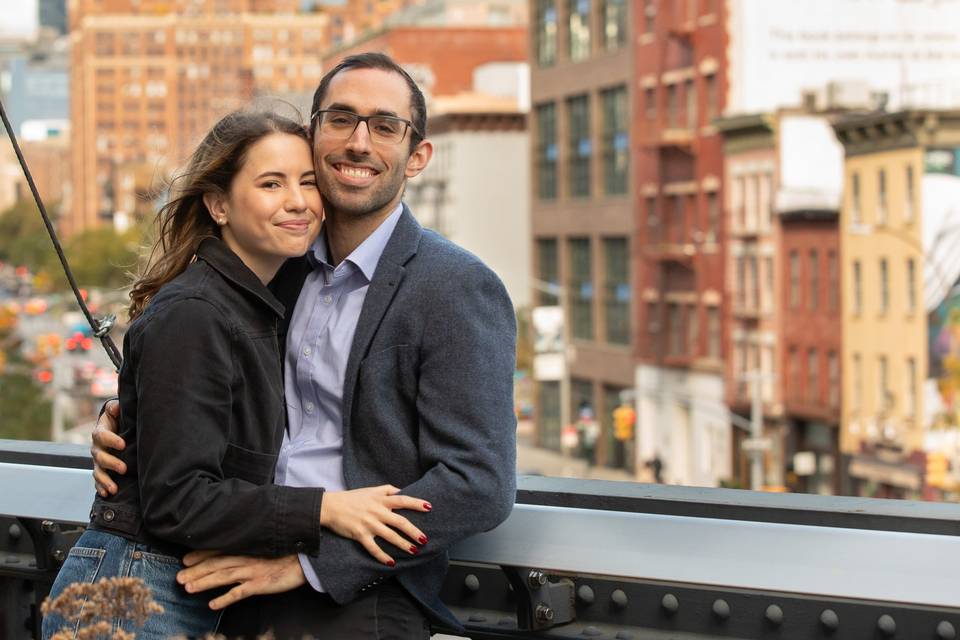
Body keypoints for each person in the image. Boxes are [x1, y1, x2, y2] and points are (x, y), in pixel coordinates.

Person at [91, 52, 518, 639]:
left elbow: (479, 485)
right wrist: (127, 425)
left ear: (416, 156)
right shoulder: (275, 268)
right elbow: (197, 378)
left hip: (353, 595)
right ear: (315, 134)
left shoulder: (454, 287)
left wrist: (310, 565)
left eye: (384, 126)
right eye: (340, 119)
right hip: (222, 573)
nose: (359, 142)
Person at [45, 110, 431, 640]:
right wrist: (327, 509)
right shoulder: (196, 312)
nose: (298, 201)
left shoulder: (268, 300)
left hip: (185, 591)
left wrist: (129, 421)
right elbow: (177, 499)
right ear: (219, 204)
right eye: (271, 184)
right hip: (131, 595)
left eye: (309, 182)